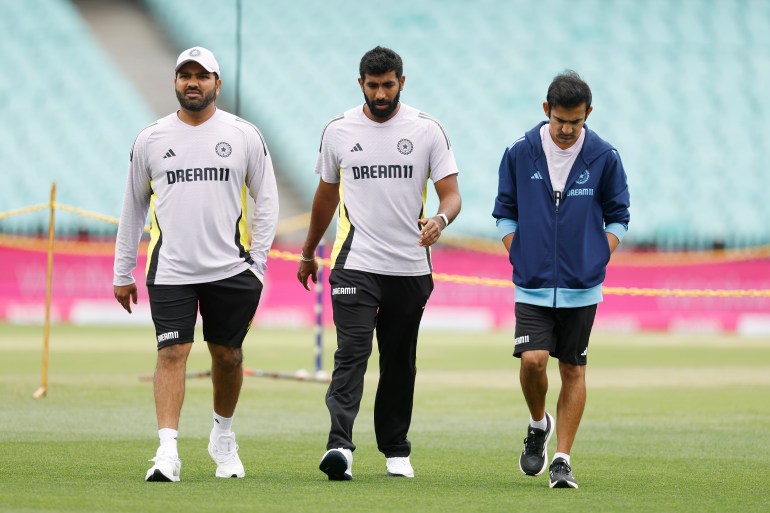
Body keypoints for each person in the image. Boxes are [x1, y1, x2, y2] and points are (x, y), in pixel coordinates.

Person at [113, 46, 279, 482]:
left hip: (231, 270)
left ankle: (223, 437)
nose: (192, 82)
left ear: (217, 84)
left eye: (202, 76)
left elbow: (268, 200)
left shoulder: (244, 134)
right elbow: (132, 208)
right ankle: (167, 452)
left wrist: (258, 263)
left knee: (227, 356)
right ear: (174, 82)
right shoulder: (150, 138)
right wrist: (122, 270)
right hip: (171, 270)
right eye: (185, 75)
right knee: (173, 351)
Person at [297, 46, 461, 481]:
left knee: (399, 360)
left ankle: (395, 449)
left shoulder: (428, 131)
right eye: (373, 86)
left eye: (389, 85)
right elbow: (326, 196)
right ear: (361, 84)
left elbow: (451, 194)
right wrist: (308, 250)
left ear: (401, 83)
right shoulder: (338, 130)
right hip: (356, 261)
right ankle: (339, 446)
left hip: (410, 267)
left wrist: (440, 220)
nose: (381, 93)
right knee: (352, 352)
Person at [492, 70, 630, 489]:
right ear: (546, 110)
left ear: (588, 113)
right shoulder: (519, 152)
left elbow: (619, 215)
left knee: (573, 369)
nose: (568, 130)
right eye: (560, 121)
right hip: (531, 282)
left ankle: (563, 460)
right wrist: (519, 251)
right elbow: (504, 210)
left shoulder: (605, 156)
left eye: (577, 121)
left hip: (582, 286)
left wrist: (596, 257)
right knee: (533, 361)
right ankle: (538, 424)